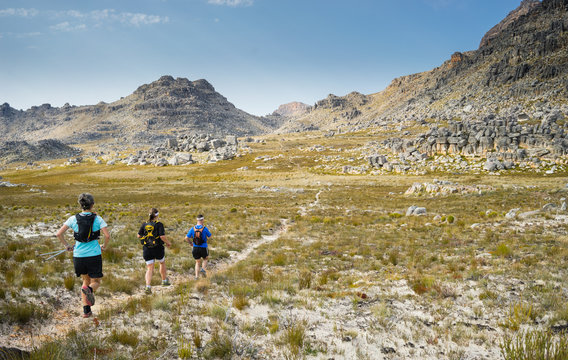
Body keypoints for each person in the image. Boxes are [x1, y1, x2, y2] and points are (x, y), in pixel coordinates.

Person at [56, 193, 110, 318]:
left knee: (85, 281)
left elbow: (59, 234)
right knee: (95, 281)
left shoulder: (73, 219)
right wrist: (104, 246)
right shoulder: (97, 219)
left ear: (80, 204)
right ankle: (90, 291)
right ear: (92, 205)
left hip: (78, 255)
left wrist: (67, 245)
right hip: (94, 255)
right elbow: (107, 236)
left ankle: (86, 311)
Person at [137, 208, 172, 294]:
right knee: (162, 262)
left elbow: (138, 235)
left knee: (149, 268)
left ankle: (148, 287)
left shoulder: (144, 224)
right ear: (156, 215)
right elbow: (162, 237)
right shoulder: (159, 224)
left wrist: (146, 239)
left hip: (147, 249)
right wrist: (168, 243)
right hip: (158, 248)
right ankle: (164, 281)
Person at [185, 214, 212, 280]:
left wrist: (190, 243)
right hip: (203, 247)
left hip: (195, 247)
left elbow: (186, 238)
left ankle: (196, 277)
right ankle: (203, 269)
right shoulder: (205, 228)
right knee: (205, 258)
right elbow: (210, 236)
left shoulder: (192, 228)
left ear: (197, 220)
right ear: (202, 220)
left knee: (197, 262)